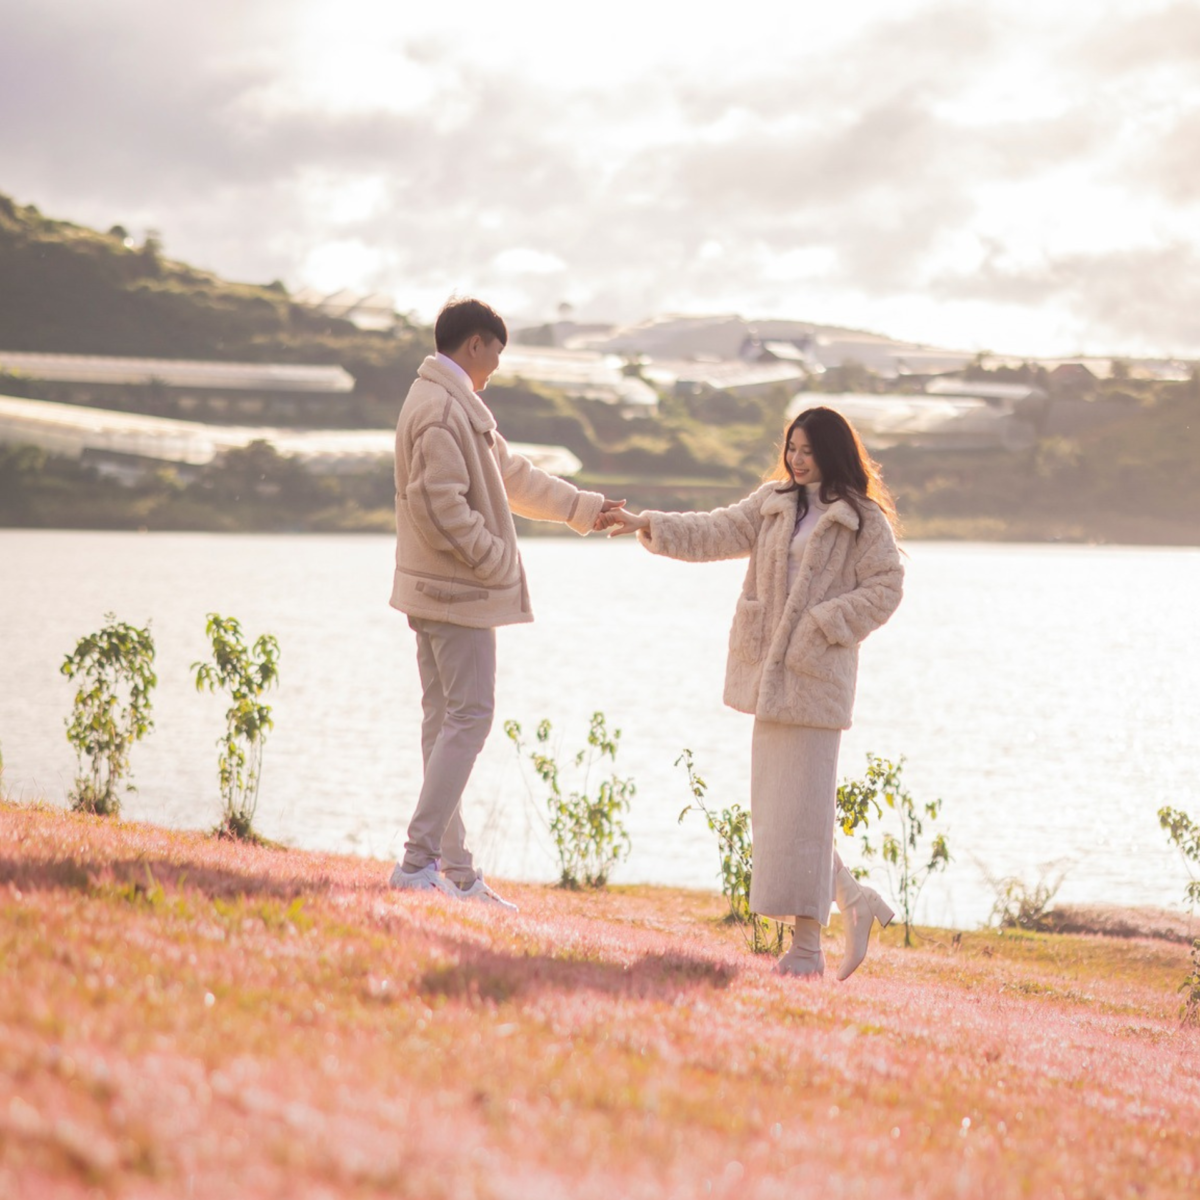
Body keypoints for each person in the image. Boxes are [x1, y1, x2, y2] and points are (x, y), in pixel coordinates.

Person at [609, 407, 903, 978]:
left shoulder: (863, 519)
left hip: (816, 681)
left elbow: (887, 588)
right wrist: (645, 522)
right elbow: (714, 530)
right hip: (769, 678)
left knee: (806, 811)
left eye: (808, 451)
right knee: (780, 812)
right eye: (791, 448)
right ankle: (854, 899)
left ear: (833, 453)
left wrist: (826, 623)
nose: (796, 459)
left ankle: (808, 949)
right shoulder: (774, 502)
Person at [388, 297, 624, 911]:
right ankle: (419, 862)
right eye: (496, 352)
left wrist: (584, 509)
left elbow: (512, 477)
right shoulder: (443, 408)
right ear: (475, 345)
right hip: (456, 593)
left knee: (446, 723)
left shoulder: (450, 401)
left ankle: (456, 872)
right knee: (469, 717)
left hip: (438, 590)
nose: (497, 365)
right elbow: (441, 503)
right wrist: (495, 560)